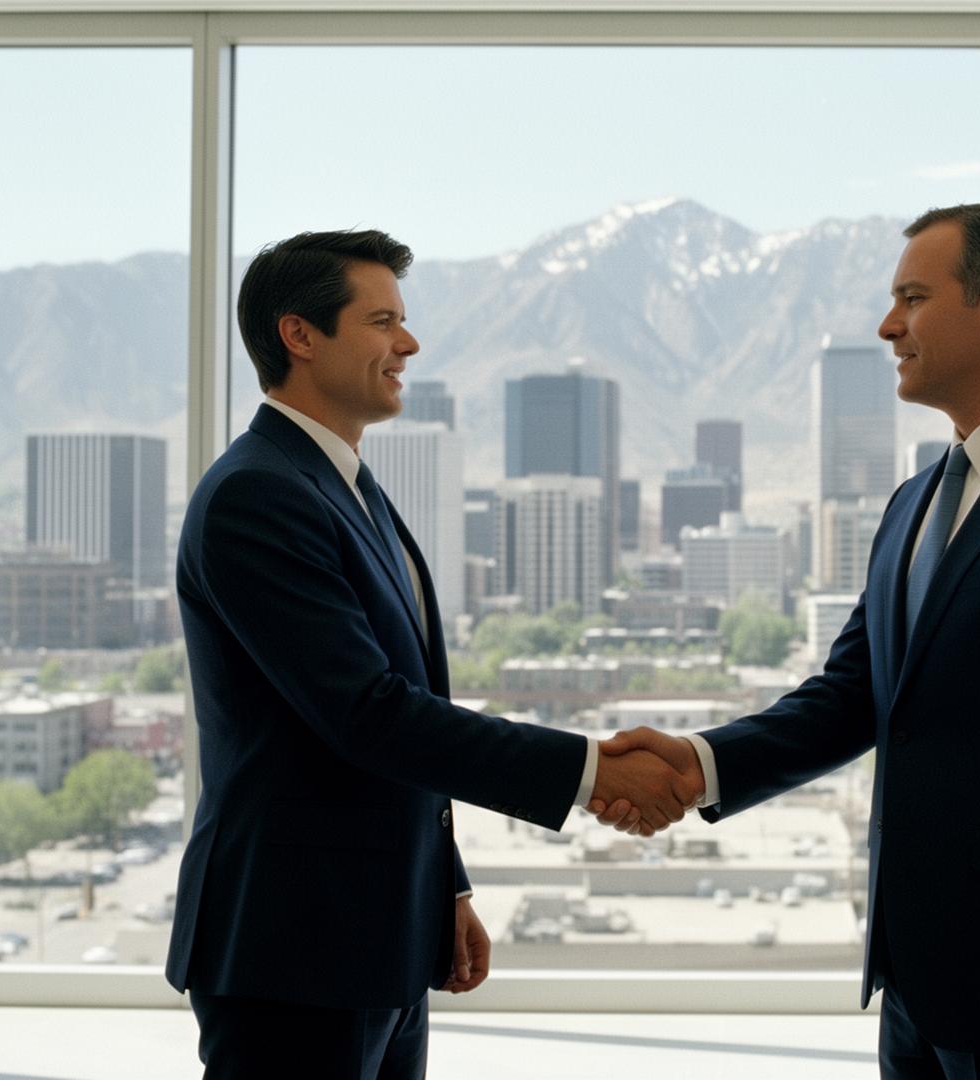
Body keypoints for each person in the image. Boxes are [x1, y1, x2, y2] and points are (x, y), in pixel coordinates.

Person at [595, 204, 980, 1080]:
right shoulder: (913, 500)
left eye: (912, 299)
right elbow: (855, 695)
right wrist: (698, 766)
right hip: (915, 990)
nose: (888, 326)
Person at [164, 229, 703, 1080]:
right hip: (292, 948)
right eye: (382, 321)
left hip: (380, 937)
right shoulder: (255, 496)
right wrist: (593, 771)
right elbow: (368, 714)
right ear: (299, 335)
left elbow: (402, 705)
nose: (408, 344)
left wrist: (441, 887)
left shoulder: (346, 486)